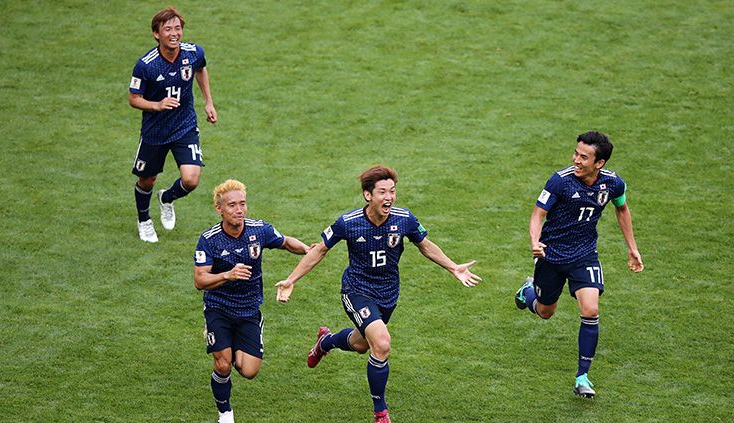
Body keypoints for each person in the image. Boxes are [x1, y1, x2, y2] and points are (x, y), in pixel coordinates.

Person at [275, 165, 482, 423]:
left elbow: (425, 246)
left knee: (363, 345)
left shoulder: (404, 219)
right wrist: (292, 280)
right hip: (356, 291)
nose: (389, 197)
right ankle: (380, 412)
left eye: (392, 191)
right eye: (382, 192)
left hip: (388, 294)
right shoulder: (347, 223)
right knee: (382, 343)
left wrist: (453, 267)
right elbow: (319, 251)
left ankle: (325, 342)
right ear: (367, 195)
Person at [514, 131, 644, 398]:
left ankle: (582, 376)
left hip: (584, 255)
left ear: (600, 163)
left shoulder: (613, 184)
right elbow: (538, 214)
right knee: (546, 311)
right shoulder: (560, 182)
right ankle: (527, 293)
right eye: (576, 153)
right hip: (551, 256)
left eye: (584, 157)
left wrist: (633, 248)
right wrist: (535, 241)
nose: (576, 159)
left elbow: (622, 208)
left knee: (591, 309)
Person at [194, 179, 311, 423]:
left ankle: (233, 342)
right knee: (223, 365)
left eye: (243, 204)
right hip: (219, 307)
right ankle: (225, 412)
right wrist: (228, 274)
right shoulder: (209, 239)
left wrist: (309, 251)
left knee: (248, 371)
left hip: (248, 309)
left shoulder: (259, 230)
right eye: (232, 205)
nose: (239, 210)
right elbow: (200, 280)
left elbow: (285, 241)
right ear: (220, 209)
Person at [129, 7, 217, 242]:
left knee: (191, 179)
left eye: (177, 28)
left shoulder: (193, 53)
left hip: (184, 126)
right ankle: (144, 220)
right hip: (155, 132)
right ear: (157, 34)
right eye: (168, 29)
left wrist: (208, 102)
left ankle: (167, 198)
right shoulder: (146, 65)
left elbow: (201, 68)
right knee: (147, 180)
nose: (174, 33)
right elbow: (133, 99)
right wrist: (157, 105)